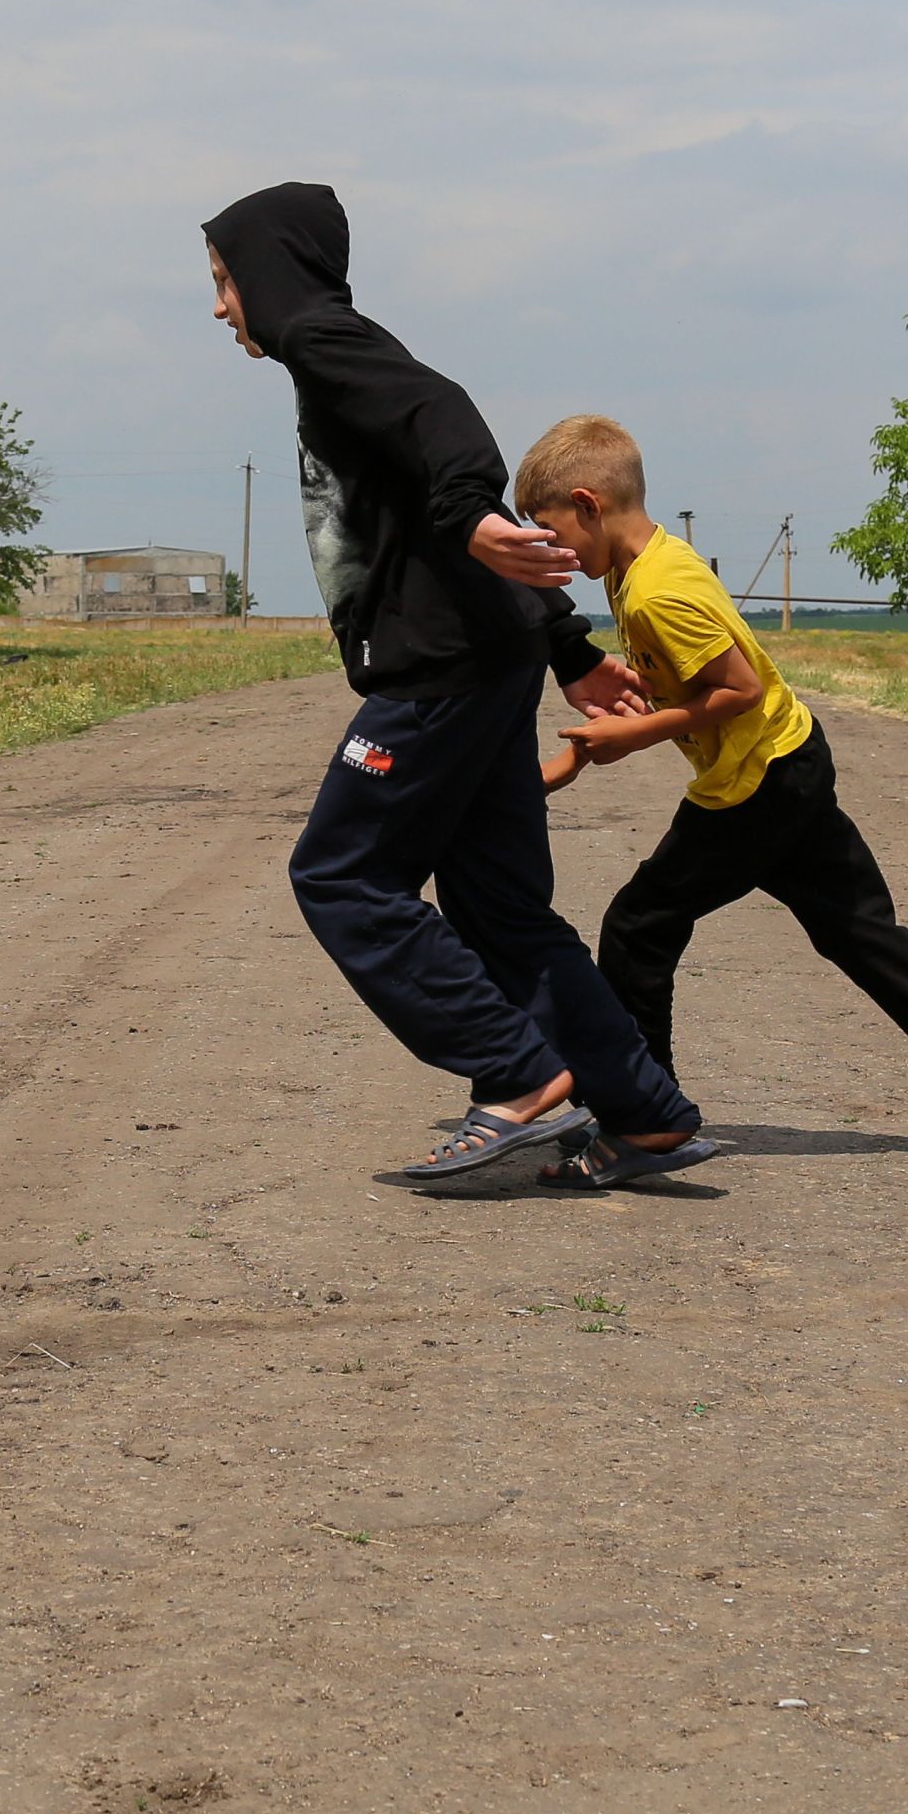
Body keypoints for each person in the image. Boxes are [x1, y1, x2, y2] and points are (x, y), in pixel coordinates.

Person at [200, 185, 722, 1189]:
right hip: (487, 657)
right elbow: (431, 508)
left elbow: (439, 419)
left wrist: (470, 506)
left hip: (437, 672)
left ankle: (520, 1078)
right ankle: (643, 1110)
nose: (221, 308)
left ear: (267, 271)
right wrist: (568, 649)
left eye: (225, 281)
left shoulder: (320, 339)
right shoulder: (334, 354)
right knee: (500, 911)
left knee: (342, 874)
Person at [515, 414, 908, 1159]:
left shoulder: (653, 589)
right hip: (790, 756)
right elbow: (709, 674)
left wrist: (634, 734)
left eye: (551, 528)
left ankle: (645, 1113)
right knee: (855, 927)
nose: (553, 549)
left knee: (639, 927)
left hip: (755, 784)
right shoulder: (640, 566)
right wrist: (647, 696)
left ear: (589, 503)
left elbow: (734, 687)